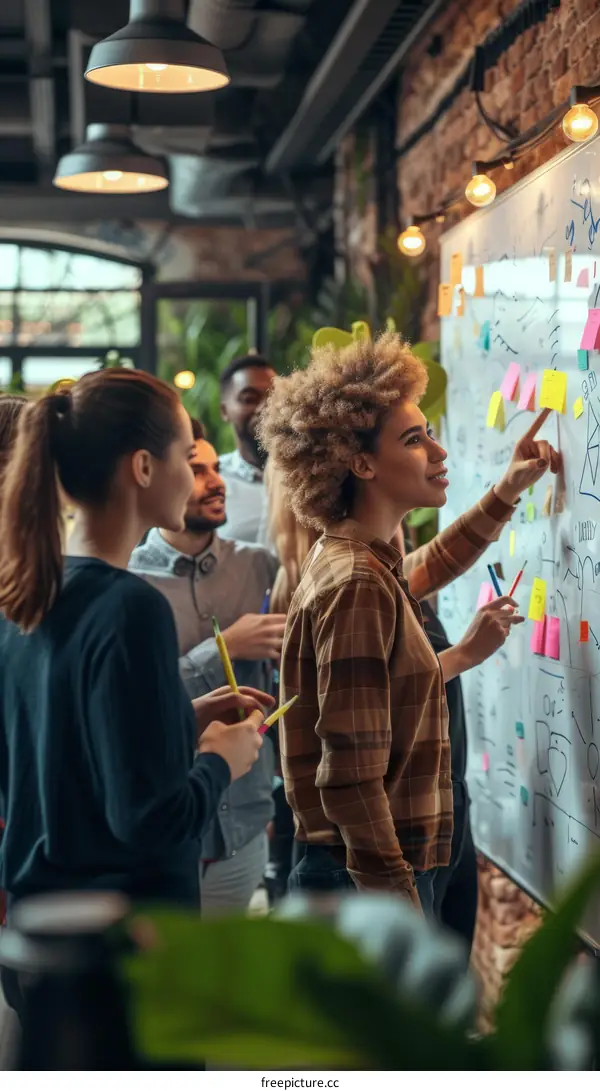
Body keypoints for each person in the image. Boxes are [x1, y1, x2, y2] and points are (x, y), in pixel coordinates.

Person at [259, 330, 557, 915]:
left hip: (368, 869)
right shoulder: (358, 584)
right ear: (362, 462)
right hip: (367, 879)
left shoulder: (354, 557)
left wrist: (507, 488)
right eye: (415, 440)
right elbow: (348, 778)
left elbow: (433, 562)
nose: (439, 453)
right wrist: (399, 904)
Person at [0, 369, 271, 928]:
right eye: (184, 456)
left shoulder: (24, 590)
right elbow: (150, 820)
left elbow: (62, 753)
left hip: (42, 929)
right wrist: (224, 759)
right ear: (144, 468)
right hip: (123, 948)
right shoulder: (130, 606)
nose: (197, 476)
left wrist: (180, 717)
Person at [130, 418, 286, 914]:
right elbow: (129, 701)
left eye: (216, 468)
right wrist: (222, 650)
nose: (216, 481)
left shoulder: (261, 566)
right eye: (197, 470)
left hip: (245, 826)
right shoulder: (128, 582)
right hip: (165, 831)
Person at [218, 353, 277, 545]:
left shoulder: (311, 479)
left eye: (274, 398)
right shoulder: (213, 481)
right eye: (249, 399)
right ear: (224, 411)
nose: (264, 408)